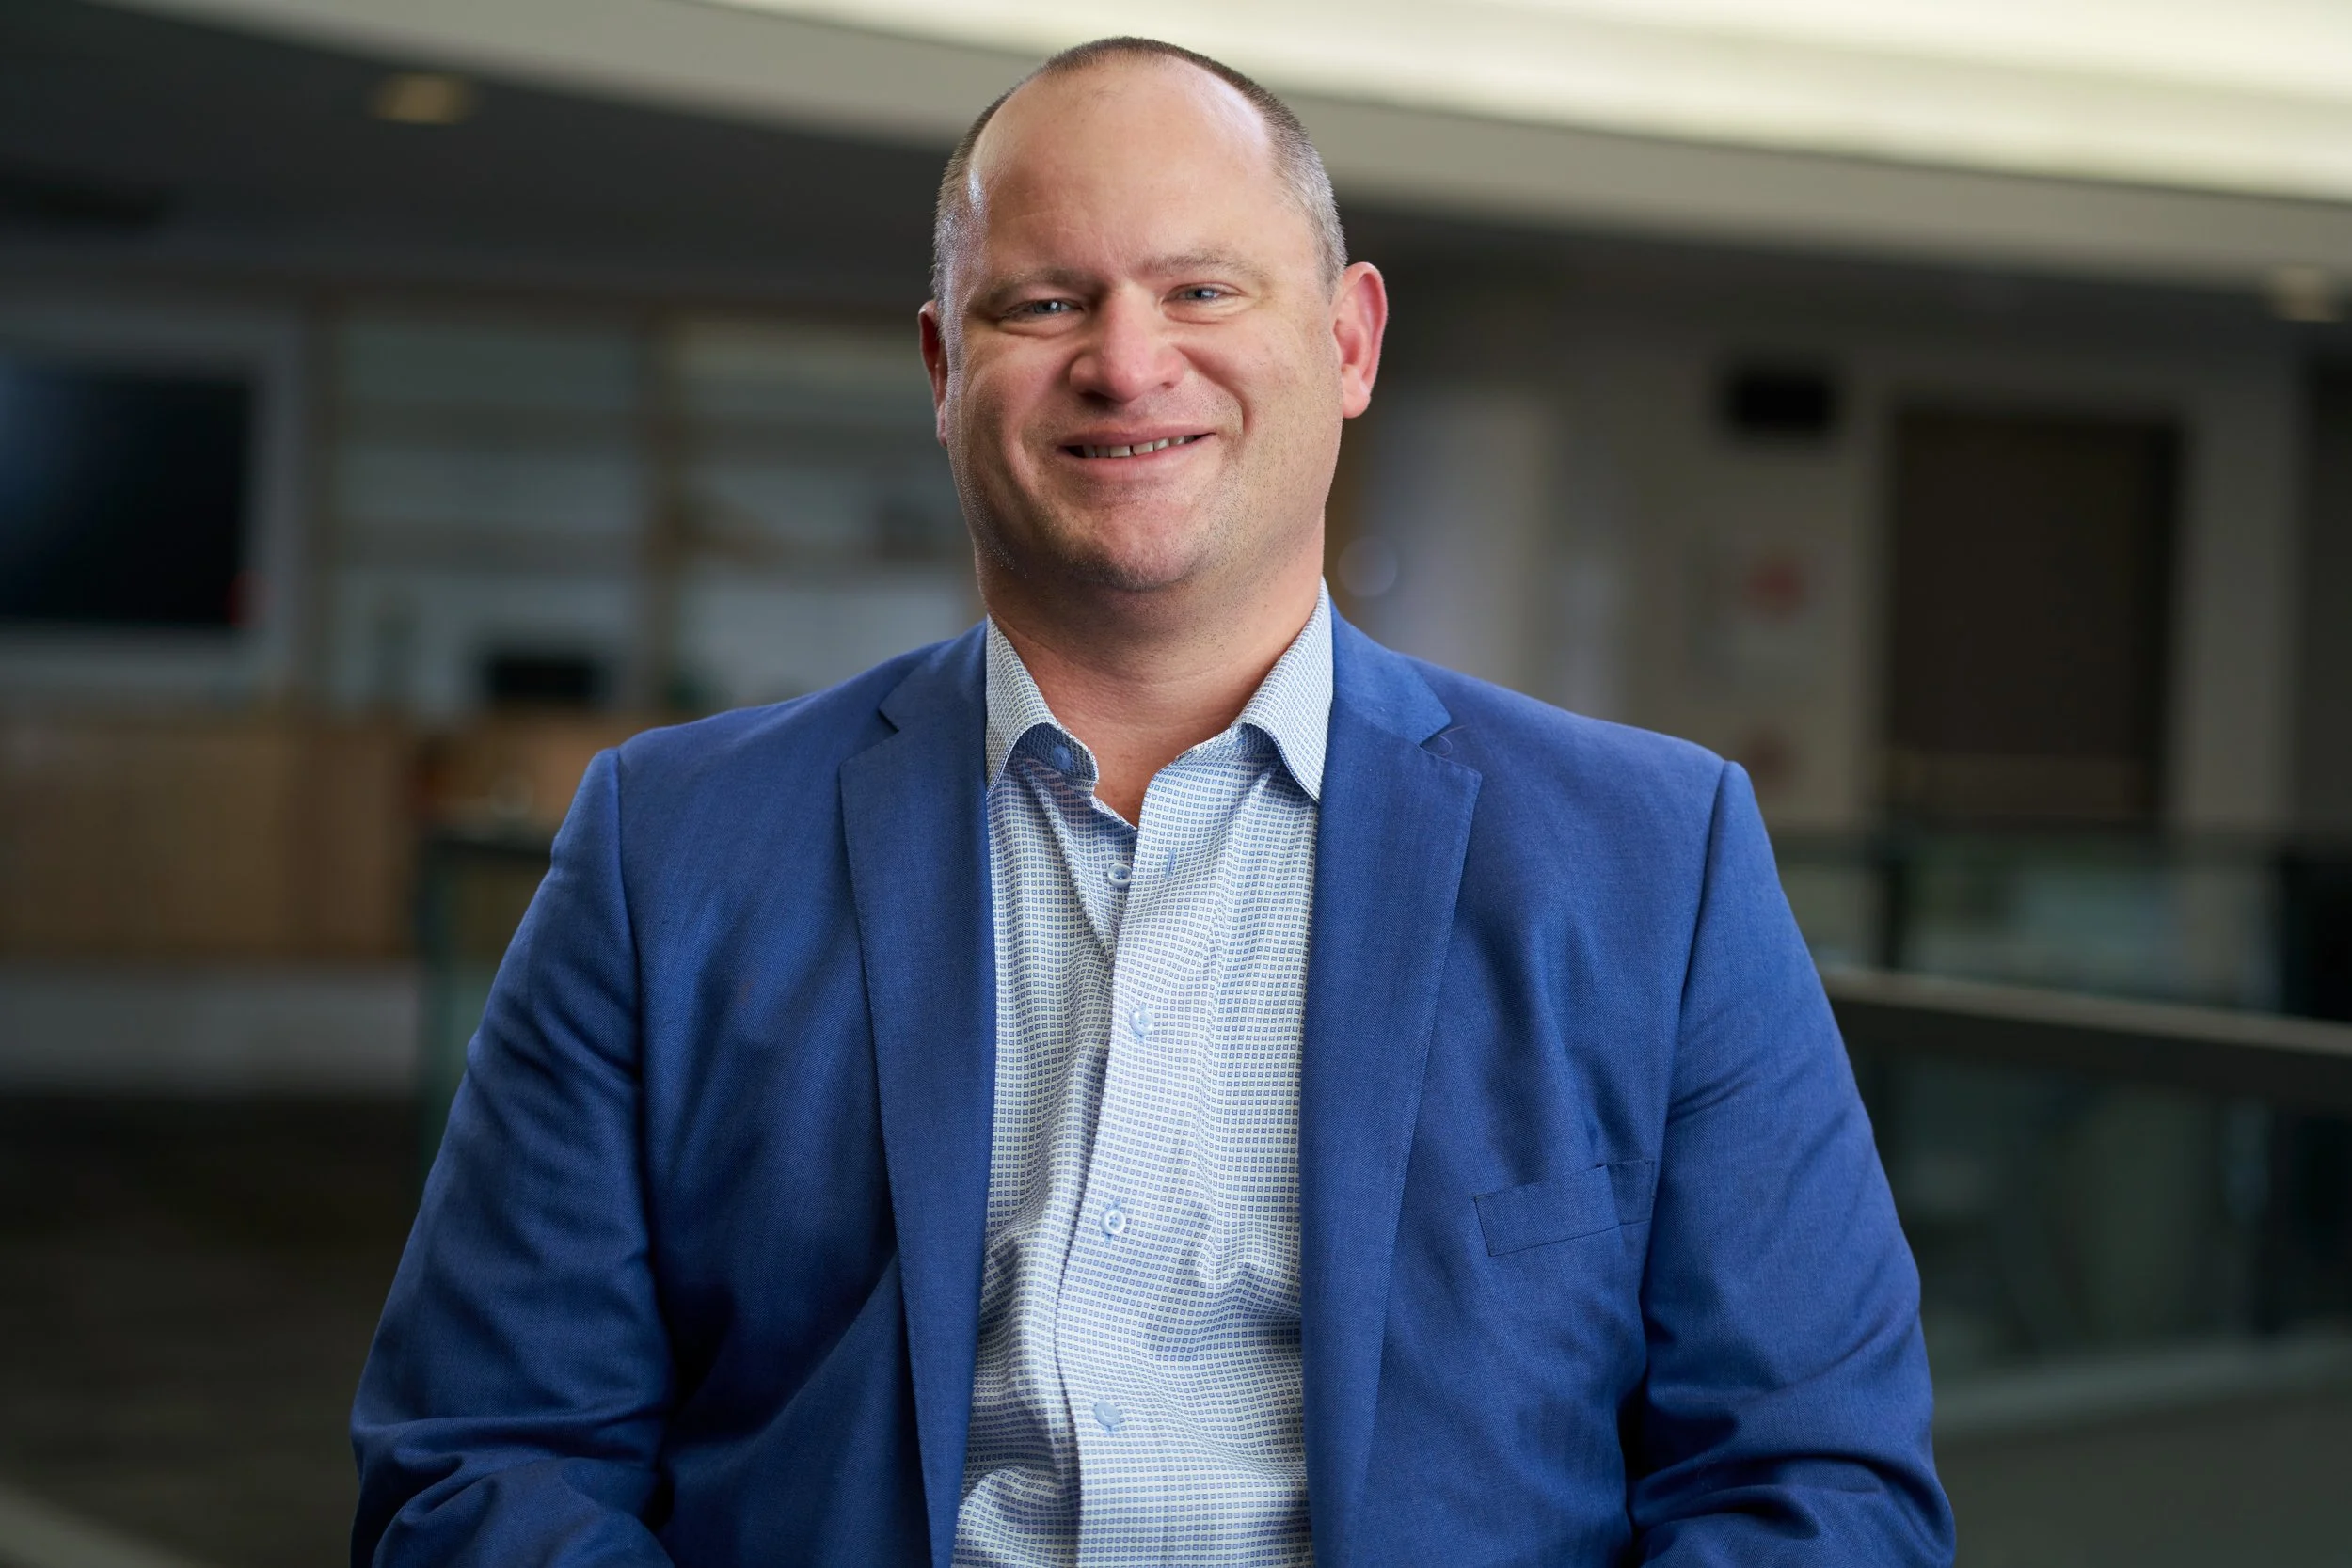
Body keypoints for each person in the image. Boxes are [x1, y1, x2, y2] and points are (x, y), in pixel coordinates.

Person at [352, 37, 1953, 1568]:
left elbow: (1819, 1483)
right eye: (1046, 300)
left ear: (1348, 340)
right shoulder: (669, 849)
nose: (1128, 362)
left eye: (1202, 288)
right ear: (943, 364)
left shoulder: (1653, 866)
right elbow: (482, 1458)